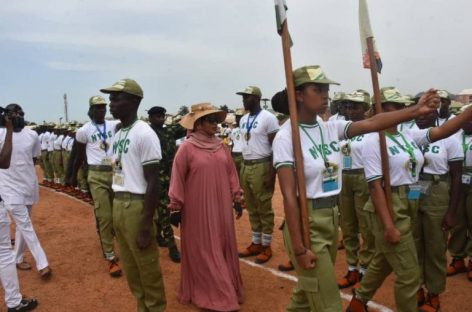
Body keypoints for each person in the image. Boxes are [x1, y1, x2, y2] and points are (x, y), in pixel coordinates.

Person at [271, 66, 441, 312]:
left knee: (306, 294)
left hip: (331, 218)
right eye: (317, 89)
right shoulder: (286, 137)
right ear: (298, 95)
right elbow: (288, 196)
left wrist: (415, 110)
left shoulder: (328, 128)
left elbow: (373, 122)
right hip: (306, 221)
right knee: (328, 303)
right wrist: (298, 247)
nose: (324, 95)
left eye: (326, 89)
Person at [347, 87, 472, 312]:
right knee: (409, 275)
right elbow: (375, 186)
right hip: (389, 203)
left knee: (383, 261)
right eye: (394, 106)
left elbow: (442, 131)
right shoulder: (373, 139)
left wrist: (469, 111)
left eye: (402, 106)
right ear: (379, 109)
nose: (401, 110)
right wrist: (388, 226)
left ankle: (358, 301)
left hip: (409, 200)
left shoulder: (406, 134)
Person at [168, 103, 244, 311]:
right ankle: (217, 294)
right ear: (198, 123)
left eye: (216, 120)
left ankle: (224, 285)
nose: (216, 124)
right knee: (204, 248)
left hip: (221, 207)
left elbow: (231, 173)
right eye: (211, 120)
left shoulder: (221, 146)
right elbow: (178, 178)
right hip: (197, 208)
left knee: (221, 243)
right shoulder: (186, 148)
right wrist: (175, 206)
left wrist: (237, 197)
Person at [101, 78, 166, 312]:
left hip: (138, 207)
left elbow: (153, 181)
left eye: (116, 98)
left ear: (133, 101)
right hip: (120, 204)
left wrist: (147, 223)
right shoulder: (118, 134)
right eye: (110, 99)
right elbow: (118, 171)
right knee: (131, 270)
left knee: (147, 271)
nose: (111, 103)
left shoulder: (144, 133)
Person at [413, 107, 463, 311]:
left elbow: (457, 177)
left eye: (426, 114)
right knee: (414, 242)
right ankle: (416, 288)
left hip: (437, 188)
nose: (421, 117)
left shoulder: (449, 137)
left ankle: (434, 292)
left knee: (435, 246)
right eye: (418, 114)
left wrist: (452, 212)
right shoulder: (411, 137)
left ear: (436, 115)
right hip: (415, 188)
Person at [70, 95, 122, 277]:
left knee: (120, 212)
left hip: (117, 171)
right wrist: (74, 177)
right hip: (96, 174)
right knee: (105, 216)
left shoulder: (115, 125)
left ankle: (112, 236)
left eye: (103, 107)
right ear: (90, 110)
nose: (101, 110)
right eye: (97, 108)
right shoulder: (83, 131)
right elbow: (79, 155)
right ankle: (110, 255)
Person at [0, 104, 52, 279]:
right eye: (14, 114)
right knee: (26, 225)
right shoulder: (1, 134)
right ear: (7, 117)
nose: (18, 117)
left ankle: (17, 258)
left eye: (20, 113)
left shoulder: (32, 135)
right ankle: (42, 263)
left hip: (28, 186)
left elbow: (34, 158)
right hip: (8, 188)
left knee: (24, 225)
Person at [336, 90, 375, 288]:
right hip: (344, 177)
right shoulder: (342, 128)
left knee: (367, 226)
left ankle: (366, 269)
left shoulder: (373, 130)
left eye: (356, 106)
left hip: (364, 177)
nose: (351, 110)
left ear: (366, 108)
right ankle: (352, 268)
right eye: (348, 106)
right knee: (348, 225)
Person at [237, 86, 279, 264]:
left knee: (264, 207)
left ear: (256, 98)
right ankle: (256, 242)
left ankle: (266, 246)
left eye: (247, 97)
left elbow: (276, 148)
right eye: (243, 97)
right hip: (246, 165)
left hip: (262, 164)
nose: (244, 100)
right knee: (251, 206)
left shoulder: (269, 118)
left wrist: (272, 174)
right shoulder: (243, 119)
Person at [0, 113, 38, 312]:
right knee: (4, 254)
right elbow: (4, 161)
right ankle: (14, 303)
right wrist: (7, 131)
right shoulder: (4, 134)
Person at [147, 106, 181, 263]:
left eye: (162, 115)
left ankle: (157, 235)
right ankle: (172, 246)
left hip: (171, 176)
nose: (161, 118)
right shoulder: (147, 133)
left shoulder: (169, 131)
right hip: (156, 178)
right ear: (150, 117)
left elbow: (184, 126)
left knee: (163, 208)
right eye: (157, 116)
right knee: (164, 210)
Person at [447, 103, 472, 281]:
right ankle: (457, 258)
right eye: (464, 119)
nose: (467, 122)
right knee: (458, 221)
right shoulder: (455, 136)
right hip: (458, 181)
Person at [230, 108, 245, 177]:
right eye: (237, 117)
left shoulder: (246, 129)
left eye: (239, 117)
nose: (238, 119)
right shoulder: (233, 130)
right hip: (235, 154)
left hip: (243, 154)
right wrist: (231, 154)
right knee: (235, 174)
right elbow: (233, 143)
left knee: (243, 175)